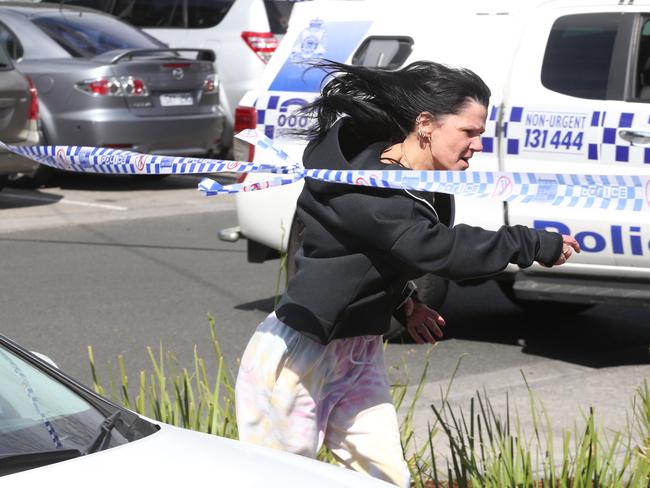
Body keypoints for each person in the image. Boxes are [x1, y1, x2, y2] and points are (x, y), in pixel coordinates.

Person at [234, 60, 580, 487]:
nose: (476, 145)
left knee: (384, 477)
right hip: (299, 356)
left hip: (357, 352)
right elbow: (437, 248)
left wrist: (405, 304)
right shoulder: (371, 188)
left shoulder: (410, 178)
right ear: (426, 124)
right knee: (282, 479)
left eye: (480, 134)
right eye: (468, 132)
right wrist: (531, 244)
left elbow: (367, 257)